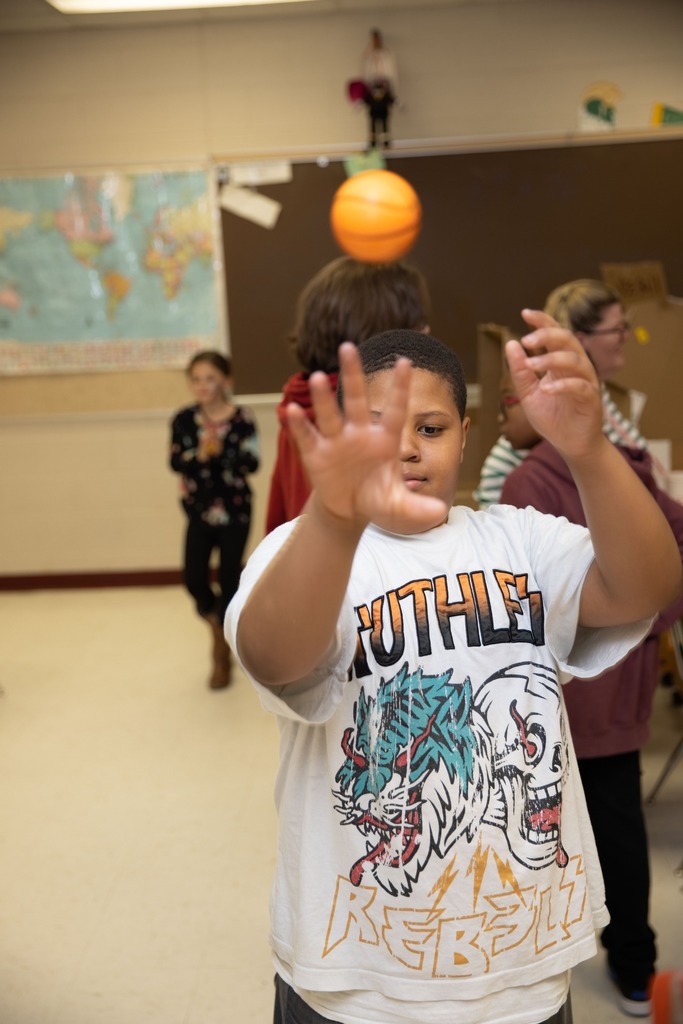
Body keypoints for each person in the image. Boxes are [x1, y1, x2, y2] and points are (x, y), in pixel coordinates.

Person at [225, 313, 682, 1024]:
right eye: (378, 432)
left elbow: (645, 587)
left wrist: (589, 449)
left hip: (519, 974)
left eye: (430, 429)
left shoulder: (519, 539)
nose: (405, 448)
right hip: (354, 982)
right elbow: (272, 654)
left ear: (467, 435)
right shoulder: (302, 551)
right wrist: (336, 520)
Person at [500, 403, 683, 1017]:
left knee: (552, 826)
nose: (503, 412)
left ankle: (580, 959)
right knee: (619, 820)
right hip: (622, 684)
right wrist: (652, 626)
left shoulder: (529, 482)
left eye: (510, 399)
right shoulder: (626, 465)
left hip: (573, 702)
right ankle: (635, 964)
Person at [265, 256, 431, 534]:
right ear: (381, 334)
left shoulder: (300, 398)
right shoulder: (370, 416)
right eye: (416, 324)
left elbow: (278, 520)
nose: (426, 333)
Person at [474, 278, 648, 509]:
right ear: (580, 340)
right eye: (617, 329)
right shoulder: (559, 406)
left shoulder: (598, 394)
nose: (626, 336)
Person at [170, 350, 259, 690]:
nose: (203, 385)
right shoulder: (183, 420)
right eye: (196, 379)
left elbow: (252, 462)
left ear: (226, 380)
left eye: (210, 378)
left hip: (235, 511)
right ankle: (217, 626)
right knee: (194, 579)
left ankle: (222, 654)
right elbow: (176, 462)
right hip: (198, 511)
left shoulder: (242, 418)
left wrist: (222, 451)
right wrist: (200, 453)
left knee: (229, 579)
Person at [361, 28, 398, 149]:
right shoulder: (369, 56)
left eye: (377, 39)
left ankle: (386, 140)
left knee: (384, 114)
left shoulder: (386, 55)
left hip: (384, 87)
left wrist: (387, 85)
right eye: (373, 40)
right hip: (372, 88)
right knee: (372, 115)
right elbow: (366, 72)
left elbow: (390, 71)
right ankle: (372, 141)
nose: (375, 42)